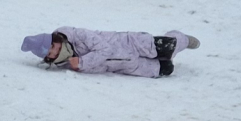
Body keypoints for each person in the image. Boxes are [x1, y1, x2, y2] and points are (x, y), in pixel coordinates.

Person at [23, 30, 200, 78]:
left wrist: (83, 62)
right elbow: (100, 67)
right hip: (128, 66)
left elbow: (104, 50)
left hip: (132, 43)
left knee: (168, 46)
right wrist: (80, 67)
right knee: (166, 69)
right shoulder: (68, 63)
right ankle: (166, 56)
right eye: (51, 54)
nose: (56, 51)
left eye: (53, 45)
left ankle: (180, 37)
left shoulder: (77, 35)